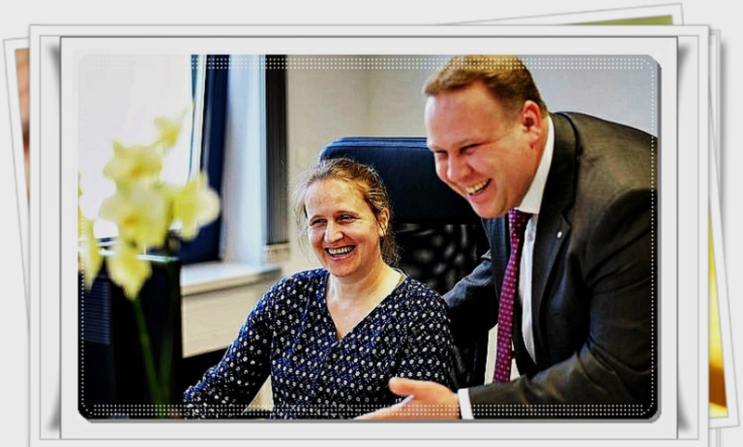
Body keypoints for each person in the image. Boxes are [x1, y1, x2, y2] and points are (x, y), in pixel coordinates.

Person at [360, 55, 656, 420]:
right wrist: (402, 330)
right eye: (440, 153)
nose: (455, 174)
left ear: (528, 123)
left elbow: (617, 379)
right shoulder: (510, 172)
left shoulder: (627, 202)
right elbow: (508, 264)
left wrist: (462, 408)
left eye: (469, 148)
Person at [183, 157, 455, 419]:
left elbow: (414, 429)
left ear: (381, 220)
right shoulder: (287, 297)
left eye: (345, 217)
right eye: (318, 222)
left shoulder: (421, 312)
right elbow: (218, 394)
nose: (331, 236)